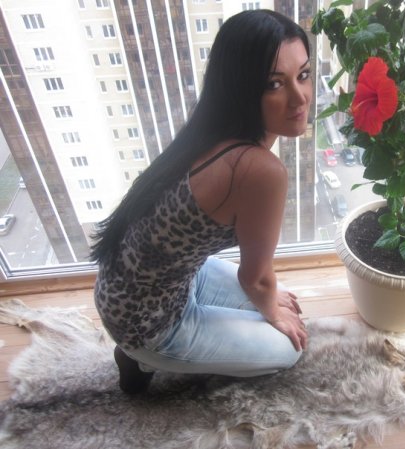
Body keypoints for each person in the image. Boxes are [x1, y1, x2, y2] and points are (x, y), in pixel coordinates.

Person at [90, 9, 311, 394]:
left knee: (280, 301)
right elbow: (255, 279)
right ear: (242, 88)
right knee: (288, 346)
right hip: (145, 321)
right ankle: (140, 357)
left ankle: (153, 344)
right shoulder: (259, 169)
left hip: (142, 282)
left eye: (303, 75)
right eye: (274, 83)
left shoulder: (212, 130)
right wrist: (270, 310)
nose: (299, 98)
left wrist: (269, 299)